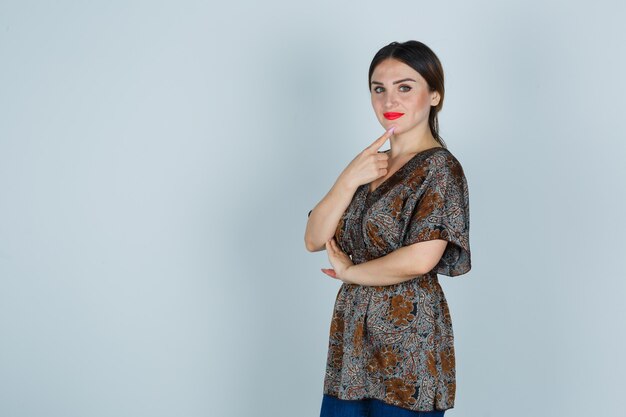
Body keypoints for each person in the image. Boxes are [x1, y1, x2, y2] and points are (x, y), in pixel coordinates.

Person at [304, 40, 472, 417]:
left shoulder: (441, 169)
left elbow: (420, 258)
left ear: (434, 95)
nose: (388, 101)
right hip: (352, 344)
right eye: (378, 89)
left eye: (405, 87)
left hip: (409, 348)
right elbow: (314, 238)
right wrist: (347, 178)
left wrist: (349, 272)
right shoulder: (368, 167)